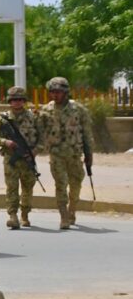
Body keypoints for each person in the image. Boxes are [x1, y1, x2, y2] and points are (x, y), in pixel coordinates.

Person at [39, 76, 93, 230]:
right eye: (52, 92)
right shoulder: (46, 110)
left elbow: (87, 133)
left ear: (65, 92)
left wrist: (89, 154)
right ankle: (63, 216)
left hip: (75, 154)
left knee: (76, 185)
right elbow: (39, 131)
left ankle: (72, 209)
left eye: (58, 92)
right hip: (56, 155)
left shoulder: (78, 109)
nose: (55, 95)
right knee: (60, 185)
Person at [0, 86, 42, 229]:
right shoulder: (3, 119)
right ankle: (13, 216)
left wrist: (34, 152)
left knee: (28, 188)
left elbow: (42, 138)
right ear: (9, 101)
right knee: (12, 188)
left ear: (24, 101)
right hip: (11, 160)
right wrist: (5, 142)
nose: (17, 102)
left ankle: (25, 215)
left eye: (20, 99)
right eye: (14, 100)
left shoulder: (33, 117)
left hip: (28, 159)